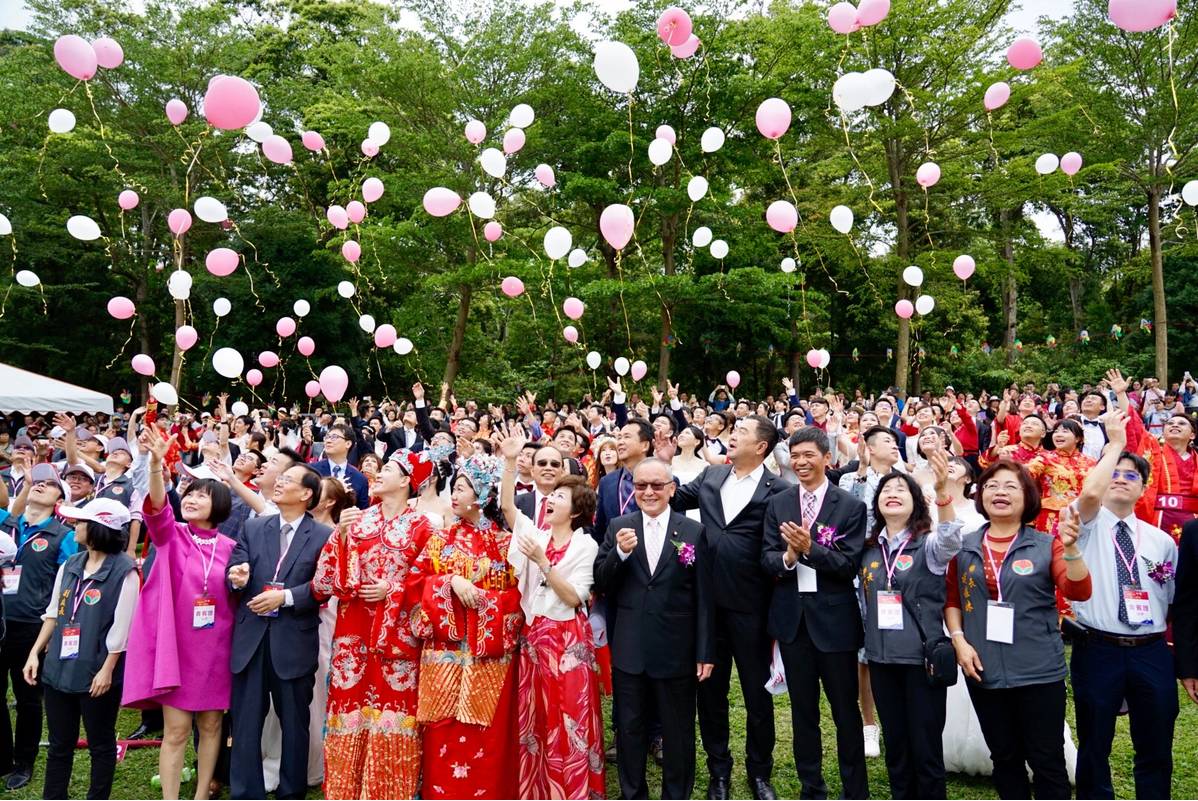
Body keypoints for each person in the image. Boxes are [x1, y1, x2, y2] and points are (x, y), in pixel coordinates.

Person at [944, 459, 1091, 800]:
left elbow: (1078, 590)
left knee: (1047, 759)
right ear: (981, 496)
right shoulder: (965, 546)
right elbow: (951, 599)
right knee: (1004, 758)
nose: (1000, 492)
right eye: (992, 485)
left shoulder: (1045, 544)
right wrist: (959, 641)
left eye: (1011, 486)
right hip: (984, 670)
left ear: (1028, 497)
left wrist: (1071, 549)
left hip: (1038, 671)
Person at [670, 415, 785, 800]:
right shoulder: (710, 477)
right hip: (706, 609)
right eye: (732, 432)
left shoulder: (778, 489)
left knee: (757, 696)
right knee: (711, 694)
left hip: (753, 609)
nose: (731, 437)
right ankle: (718, 771)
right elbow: (670, 497)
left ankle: (759, 773)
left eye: (741, 434)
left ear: (762, 447)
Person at [311, 450, 435, 800]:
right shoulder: (358, 519)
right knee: (350, 704)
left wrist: (392, 589)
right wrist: (342, 535)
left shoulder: (424, 526)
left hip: (398, 635)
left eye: (388, 470)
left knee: (394, 709)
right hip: (353, 631)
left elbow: (430, 582)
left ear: (407, 481)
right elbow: (324, 580)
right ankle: (345, 790)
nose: (378, 474)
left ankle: (390, 790)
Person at [123, 424, 236, 801]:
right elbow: (156, 506)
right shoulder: (172, 536)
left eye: (201, 495)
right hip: (178, 650)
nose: (190, 498)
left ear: (218, 505)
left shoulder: (233, 548)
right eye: (189, 492)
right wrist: (156, 464)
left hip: (217, 649)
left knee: (211, 725)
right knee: (175, 731)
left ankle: (202, 793)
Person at [1072, 410, 1178, 799]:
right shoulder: (1084, 523)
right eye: (1114, 473)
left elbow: (1167, 597)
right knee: (1095, 742)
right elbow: (1089, 495)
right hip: (1097, 647)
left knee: (1156, 741)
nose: (1120, 480)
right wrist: (1115, 445)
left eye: (1131, 475)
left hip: (1150, 650)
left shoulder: (1160, 541)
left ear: (1144, 488)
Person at [594, 458, 713, 800]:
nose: (648, 492)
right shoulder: (619, 525)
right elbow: (602, 582)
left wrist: (705, 651)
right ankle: (633, 794)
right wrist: (618, 552)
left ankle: (676, 794)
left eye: (656, 486)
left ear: (671, 489)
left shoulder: (693, 531)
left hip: (677, 648)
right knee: (630, 729)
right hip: (630, 647)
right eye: (641, 485)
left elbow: (705, 597)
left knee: (677, 732)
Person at [496, 428, 605, 800]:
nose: (552, 499)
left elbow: (575, 596)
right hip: (534, 640)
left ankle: (572, 789)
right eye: (553, 494)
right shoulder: (536, 534)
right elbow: (509, 508)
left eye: (560, 496)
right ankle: (538, 790)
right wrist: (511, 462)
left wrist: (544, 564)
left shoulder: (585, 545)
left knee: (568, 717)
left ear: (575, 510)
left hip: (568, 641)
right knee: (537, 720)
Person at [760, 427, 869, 799]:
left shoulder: (850, 505)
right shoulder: (780, 502)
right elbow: (766, 557)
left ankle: (855, 788)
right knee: (803, 710)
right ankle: (812, 786)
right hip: (793, 621)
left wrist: (810, 549)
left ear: (827, 458)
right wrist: (789, 557)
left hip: (834, 621)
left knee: (844, 711)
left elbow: (849, 565)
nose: (801, 462)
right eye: (795, 455)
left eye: (809, 455)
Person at [408, 453, 523, 799]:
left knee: (488, 733)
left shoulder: (506, 544)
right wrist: (449, 583)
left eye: (462, 488)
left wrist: (486, 602)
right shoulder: (441, 539)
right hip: (444, 653)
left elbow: (519, 597)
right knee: (442, 729)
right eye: (453, 488)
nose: (453, 495)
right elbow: (415, 582)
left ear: (484, 494)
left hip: (488, 656)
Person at [858, 454, 962, 799]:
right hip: (882, 659)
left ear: (916, 503)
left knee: (925, 747)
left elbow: (950, 540)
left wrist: (943, 492)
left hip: (921, 660)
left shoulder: (927, 545)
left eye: (902, 489)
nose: (893, 493)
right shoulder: (870, 549)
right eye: (887, 489)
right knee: (897, 746)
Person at [225, 463, 332, 800]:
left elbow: (324, 586)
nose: (279, 483)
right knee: (245, 723)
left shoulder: (323, 537)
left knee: (294, 725)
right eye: (280, 478)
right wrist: (237, 575)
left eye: (288, 480)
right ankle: (246, 792)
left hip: (293, 640)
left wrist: (285, 597)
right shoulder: (254, 527)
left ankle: (291, 790)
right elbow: (236, 563)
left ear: (306, 494)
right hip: (251, 639)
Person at [23, 499, 138, 800]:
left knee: (100, 744)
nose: (75, 526)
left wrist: (107, 670)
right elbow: (53, 612)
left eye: (82, 522)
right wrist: (35, 652)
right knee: (60, 744)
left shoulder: (126, 572)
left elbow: (122, 630)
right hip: (59, 667)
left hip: (96, 672)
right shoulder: (70, 564)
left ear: (100, 528)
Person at [0, 461, 70, 790]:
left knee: (28, 698)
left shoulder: (64, 536)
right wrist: (25, 483)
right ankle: (2, 757)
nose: (41, 485)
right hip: (1, 618)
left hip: (31, 626)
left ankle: (23, 761)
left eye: (49, 484)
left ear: (59, 498)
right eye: (36, 483)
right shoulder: (8, 525)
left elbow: (68, 585)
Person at [302, 477, 355, 788]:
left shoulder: (339, 533)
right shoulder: (297, 525)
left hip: (326, 610)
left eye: (317, 489)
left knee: (322, 674)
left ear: (331, 501)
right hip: (295, 611)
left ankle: (320, 756)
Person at [1025, 419, 1095, 536]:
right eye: (1056, 431)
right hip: (1051, 516)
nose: (1058, 434)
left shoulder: (1091, 462)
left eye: (1065, 431)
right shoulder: (1045, 458)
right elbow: (1025, 473)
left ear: (1078, 438)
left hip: (1082, 517)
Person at [312, 423, 370, 509]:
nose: (328, 441)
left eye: (334, 437)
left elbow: (362, 512)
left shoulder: (360, 479)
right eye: (327, 437)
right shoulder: (312, 470)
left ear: (348, 444)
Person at [514, 441, 566, 530]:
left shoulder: (572, 506)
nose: (548, 468)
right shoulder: (517, 502)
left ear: (563, 472)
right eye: (542, 463)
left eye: (555, 464)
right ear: (532, 471)